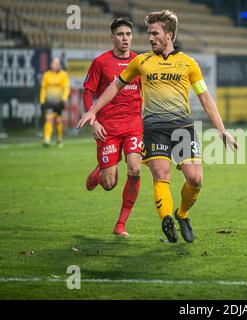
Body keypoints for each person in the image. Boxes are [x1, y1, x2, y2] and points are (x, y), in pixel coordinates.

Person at [77, 10, 238, 243]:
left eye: (155, 33)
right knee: (161, 175)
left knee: (195, 180)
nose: (150, 38)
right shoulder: (141, 61)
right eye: (149, 33)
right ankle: (166, 220)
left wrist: (222, 130)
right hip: (153, 129)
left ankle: (181, 214)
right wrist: (92, 111)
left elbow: (205, 98)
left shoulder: (188, 64)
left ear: (169, 35)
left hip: (182, 128)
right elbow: (114, 87)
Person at [82, 18, 143, 237]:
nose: (124, 38)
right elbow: (88, 90)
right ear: (112, 37)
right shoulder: (100, 62)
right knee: (109, 184)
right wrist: (93, 119)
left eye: (128, 34)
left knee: (135, 169)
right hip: (107, 128)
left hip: (134, 125)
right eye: (120, 34)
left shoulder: (140, 61)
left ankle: (120, 225)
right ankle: (100, 171)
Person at [40, 57, 70, 147]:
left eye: (57, 63)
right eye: (54, 63)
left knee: (58, 121)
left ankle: (59, 138)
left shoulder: (63, 75)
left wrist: (64, 99)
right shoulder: (46, 75)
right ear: (51, 64)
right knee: (48, 119)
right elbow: (43, 88)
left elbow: (66, 88)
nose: (55, 65)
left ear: (59, 65)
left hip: (59, 102)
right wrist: (42, 100)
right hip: (49, 101)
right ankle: (47, 139)